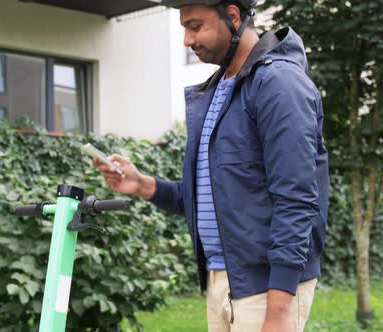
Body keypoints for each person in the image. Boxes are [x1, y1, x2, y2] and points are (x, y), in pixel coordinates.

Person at [93, 1, 329, 331]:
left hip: (267, 288)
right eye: (184, 29)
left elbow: (298, 200)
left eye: (195, 26)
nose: (187, 41)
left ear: (233, 16)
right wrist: (142, 184)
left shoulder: (279, 83)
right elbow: (209, 198)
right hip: (221, 277)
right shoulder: (218, 91)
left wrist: (278, 310)